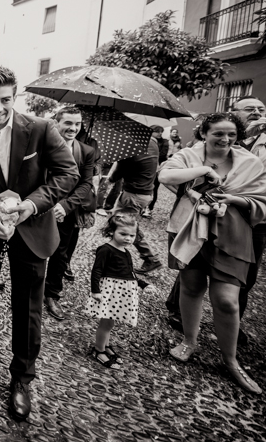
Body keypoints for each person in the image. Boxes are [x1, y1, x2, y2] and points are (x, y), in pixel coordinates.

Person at [0, 67, 78, 421]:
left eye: (6, 100)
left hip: (32, 228)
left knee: (27, 305)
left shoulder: (40, 129)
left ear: (15, 98)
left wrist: (32, 205)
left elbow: (68, 174)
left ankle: (22, 378)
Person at [159, 112, 265, 394]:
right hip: (188, 228)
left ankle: (230, 360)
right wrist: (204, 172)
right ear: (204, 133)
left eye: (231, 134)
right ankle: (189, 341)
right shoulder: (188, 156)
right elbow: (165, 175)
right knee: (191, 287)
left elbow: (262, 201)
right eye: (218, 133)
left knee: (227, 300)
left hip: (233, 233)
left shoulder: (251, 163)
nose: (225, 139)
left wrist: (233, 199)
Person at [43, 106, 100, 320]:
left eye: (77, 124)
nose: (73, 128)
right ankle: (30, 290)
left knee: (61, 254)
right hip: (41, 207)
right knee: (33, 251)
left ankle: (52, 295)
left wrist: (65, 206)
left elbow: (86, 184)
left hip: (67, 211)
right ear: (56, 122)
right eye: (68, 123)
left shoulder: (86, 151)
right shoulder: (43, 144)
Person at [86, 212, 148, 369]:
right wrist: (95, 291)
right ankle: (98, 350)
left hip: (120, 292)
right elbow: (96, 270)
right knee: (105, 323)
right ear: (112, 231)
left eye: (132, 235)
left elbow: (129, 272)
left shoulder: (126, 252)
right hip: (109, 292)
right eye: (123, 234)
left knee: (110, 322)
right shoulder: (105, 249)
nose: (128, 238)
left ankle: (105, 346)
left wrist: (143, 284)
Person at [107, 136, 162, 273]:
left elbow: (119, 171)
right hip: (145, 192)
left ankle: (150, 258)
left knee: (126, 227)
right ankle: (110, 249)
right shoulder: (152, 141)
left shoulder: (130, 148)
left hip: (134, 195)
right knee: (116, 220)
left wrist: (110, 179)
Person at [142, 126, 170, 218]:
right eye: (157, 131)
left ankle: (149, 209)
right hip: (145, 168)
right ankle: (142, 207)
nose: (160, 133)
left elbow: (162, 155)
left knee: (154, 188)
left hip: (157, 168)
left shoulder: (164, 142)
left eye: (161, 131)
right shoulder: (145, 141)